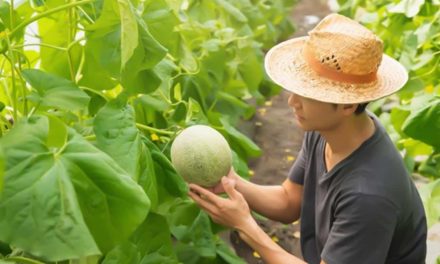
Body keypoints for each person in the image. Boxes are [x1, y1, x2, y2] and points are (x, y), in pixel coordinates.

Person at [188, 13, 427, 264]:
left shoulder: (368, 196)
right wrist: (231, 182)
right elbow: (289, 201)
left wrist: (246, 225)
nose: (292, 102)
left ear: (348, 105)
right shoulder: (327, 132)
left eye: (308, 94)